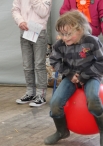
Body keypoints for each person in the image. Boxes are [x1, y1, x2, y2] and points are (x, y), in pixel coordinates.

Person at [44, 10, 103, 145]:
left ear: (80, 29)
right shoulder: (59, 45)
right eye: (62, 34)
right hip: (70, 78)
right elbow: (54, 61)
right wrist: (69, 74)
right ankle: (62, 131)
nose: (65, 38)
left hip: (91, 76)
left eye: (68, 34)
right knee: (55, 103)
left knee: (93, 99)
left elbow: (101, 62)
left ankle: (102, 130)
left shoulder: (92, 41)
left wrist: (84, 76)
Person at [12, 0, 52, 107]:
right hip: (25, 31)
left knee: (39, 64)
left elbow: (43, 12)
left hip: (39, 31)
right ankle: (30, 92)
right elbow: (15, 9)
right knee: (27, 64)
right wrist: (20, 21)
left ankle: (41, 95)